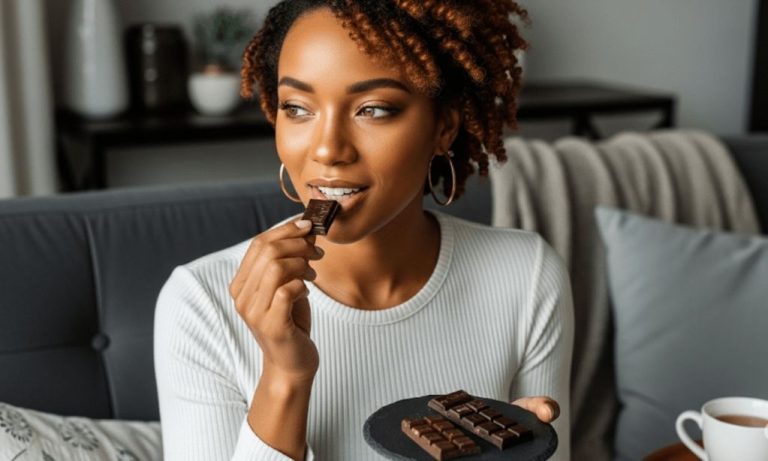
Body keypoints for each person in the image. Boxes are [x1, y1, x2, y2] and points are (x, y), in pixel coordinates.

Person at [154, 1, 574, 460]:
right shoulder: (201, 303)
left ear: (444, 127)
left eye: (373, 109)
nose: (328, 149)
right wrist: (284, 378)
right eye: (297, 108)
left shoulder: (527, 276)